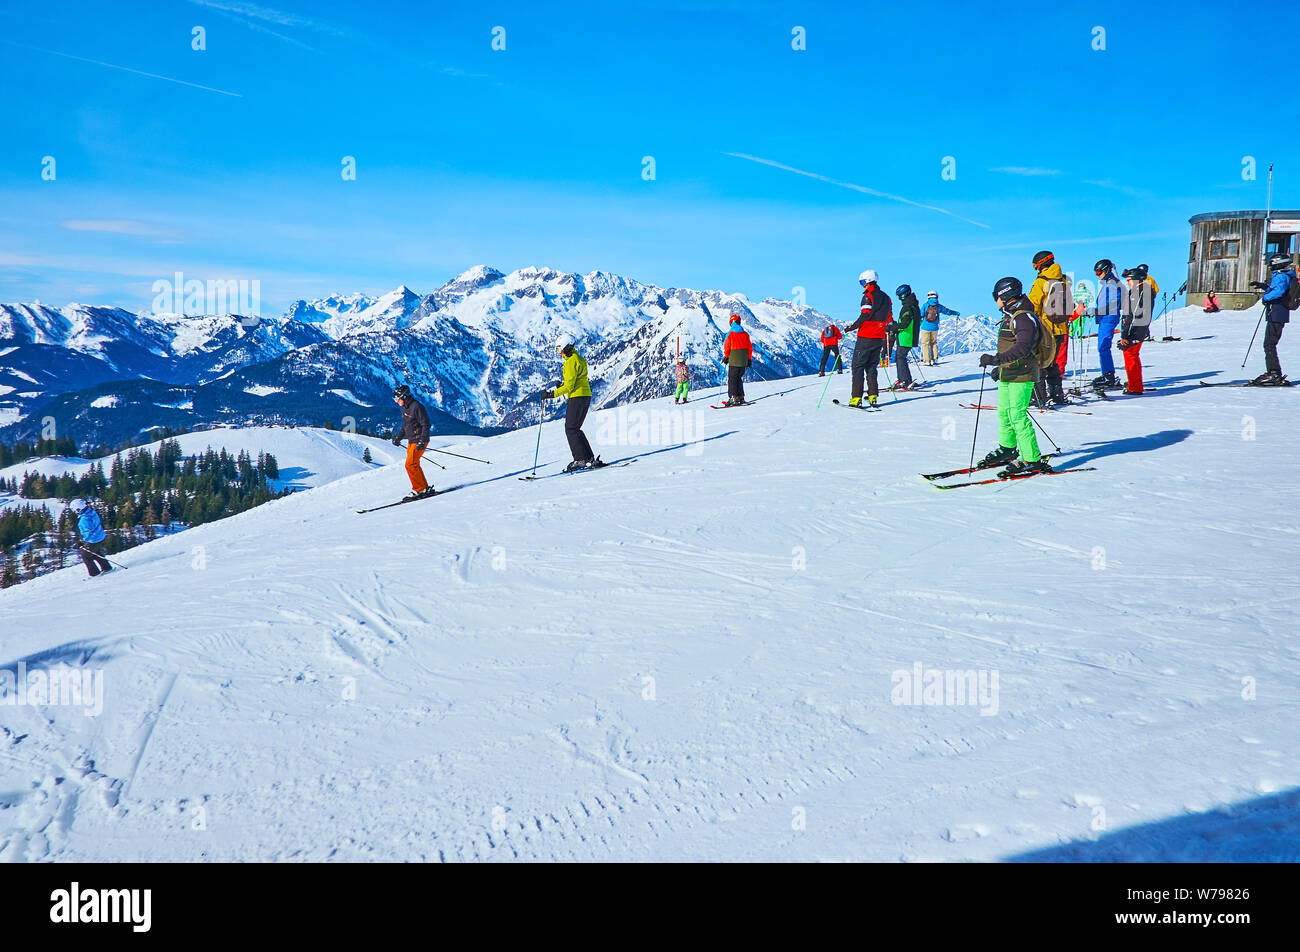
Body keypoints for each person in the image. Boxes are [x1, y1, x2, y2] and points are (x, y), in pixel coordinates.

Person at [976, 277, 1051, 477]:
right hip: (1010, 372)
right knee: (1004, 413)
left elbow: (1023, 348)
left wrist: (995, 359)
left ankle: (1032, 459)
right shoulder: (1012, 315)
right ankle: (1008, 449)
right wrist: (999, 367)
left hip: (1023, 373)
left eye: (996, 296)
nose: (995, 300)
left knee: (1018, 416)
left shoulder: (1023, 317)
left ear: (1005, 295)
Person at [543, 336, 597, 469]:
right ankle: (588, 458)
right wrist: (563, 384)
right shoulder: (578, 359)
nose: (559, 353)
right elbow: (576, 380)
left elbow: (570, 386)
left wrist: (551, 394)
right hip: (585, 395)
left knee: (571, 429)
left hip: (577, 397)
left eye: (559, 350)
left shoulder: (570, 362)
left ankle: (580, 460)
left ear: (566, 348)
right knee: (575, 429)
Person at [1027, 250, 1071, 406]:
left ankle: (1039, 397)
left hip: (1045, 330)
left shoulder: (1042, 281)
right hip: (1061, 329)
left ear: (1039, 265)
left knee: (1038, 363)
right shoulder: (1064, 280)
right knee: (1053, 363)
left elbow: (1033, 306)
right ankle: (1057, 394)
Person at [844, 270, 892, 407]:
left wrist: (851, 327)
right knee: (871, 367)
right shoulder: (886, 297)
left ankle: (856, 398)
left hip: (866, 336)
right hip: (879, 336)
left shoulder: (868, 297)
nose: (862, 285)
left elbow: (865, 315)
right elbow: (889, 317)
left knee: (858, 367)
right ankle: (872, 396)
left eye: (862, 282)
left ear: (868, 281)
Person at [1249, 252, 1298, 385]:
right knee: (1270, 344)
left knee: (1269, 345)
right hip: (1277, 313)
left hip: (1277, 313)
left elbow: (1279, 291)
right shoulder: (1284, 275)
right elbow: (1277, 289)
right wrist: (1263, 286)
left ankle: (1274, 373)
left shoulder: (1281, 276)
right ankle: (1273, 372)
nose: (1269, 266)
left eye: (1271, 264)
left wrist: (1265, 298)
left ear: (1277, 263)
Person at [391, 384, 433, 498]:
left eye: (397, 399)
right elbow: (406, 426)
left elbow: (426, 424)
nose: (396, 401)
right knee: (414, 464)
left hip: (419, 440)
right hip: (411, 441)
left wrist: (422, 441)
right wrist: (398, 437)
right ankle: (424, 488)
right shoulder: (405, 408)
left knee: (410, 464)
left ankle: (419, 489)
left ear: (404, 397)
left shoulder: (417, 407)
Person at [1090, 259, 1125, 391]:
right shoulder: (1108, 283)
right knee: (1102, 347)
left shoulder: (1112, 284)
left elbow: (1112, 304)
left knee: (1103, 346)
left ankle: (1109, 375)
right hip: (1105, 318)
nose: (1097, 275)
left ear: (1105, 270)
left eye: (1099, 272)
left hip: (1108, 318)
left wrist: (1094, 311)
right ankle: (1107, 373)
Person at [1118, 268, 1153, 394]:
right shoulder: (1141, 291)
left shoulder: (1141, 292)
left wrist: (1125, 335)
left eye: (1129, 280)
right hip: (1138, 329)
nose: (1128, 282)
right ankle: (1135, 384)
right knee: (1132, 356)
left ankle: (1135, 387)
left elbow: (1132, 315)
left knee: (1130, 356)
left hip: (1136, 330)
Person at [887, 284, 921, 389]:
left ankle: (904, 381)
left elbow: (905, 324)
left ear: (904, 295)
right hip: (909, 336)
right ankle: (905, 379)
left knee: (900, 357)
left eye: (899, 296)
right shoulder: (913, 305)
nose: (898, 298)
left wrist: (892, 327)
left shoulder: (908, 306)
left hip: (906, 337)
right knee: (900, 357)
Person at [68, 498, 113, 577]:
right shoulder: (92, 512)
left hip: (93, 540)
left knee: (86, 556)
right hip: (100, 536)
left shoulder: (84, 520)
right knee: (95, 553)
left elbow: (88, 534)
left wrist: (82, 542)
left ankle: (94, 573)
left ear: (78, 509)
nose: (75, 512)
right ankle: (106, 567)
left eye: (75, 510)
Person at [919, 291, 958, 365]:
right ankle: (935, 359)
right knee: (933, 343)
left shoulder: (925, 305)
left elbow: (920, 314)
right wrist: (955, 313)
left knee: (925, 344)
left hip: (925, 327)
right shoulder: (939, 306)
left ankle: (927, 361)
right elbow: (947, 311)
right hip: (935, 327)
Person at [722, 314, 752, 405]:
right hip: (743, 360)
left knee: (732, 379)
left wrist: (726, 356)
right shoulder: (745, 334)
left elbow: (727, 346)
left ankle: (733, 397)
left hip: (734, 359)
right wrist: (749, 359)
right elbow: (749, 348)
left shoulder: (730, 333)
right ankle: (741, 397)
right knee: (739, 378)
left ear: (731, 323)